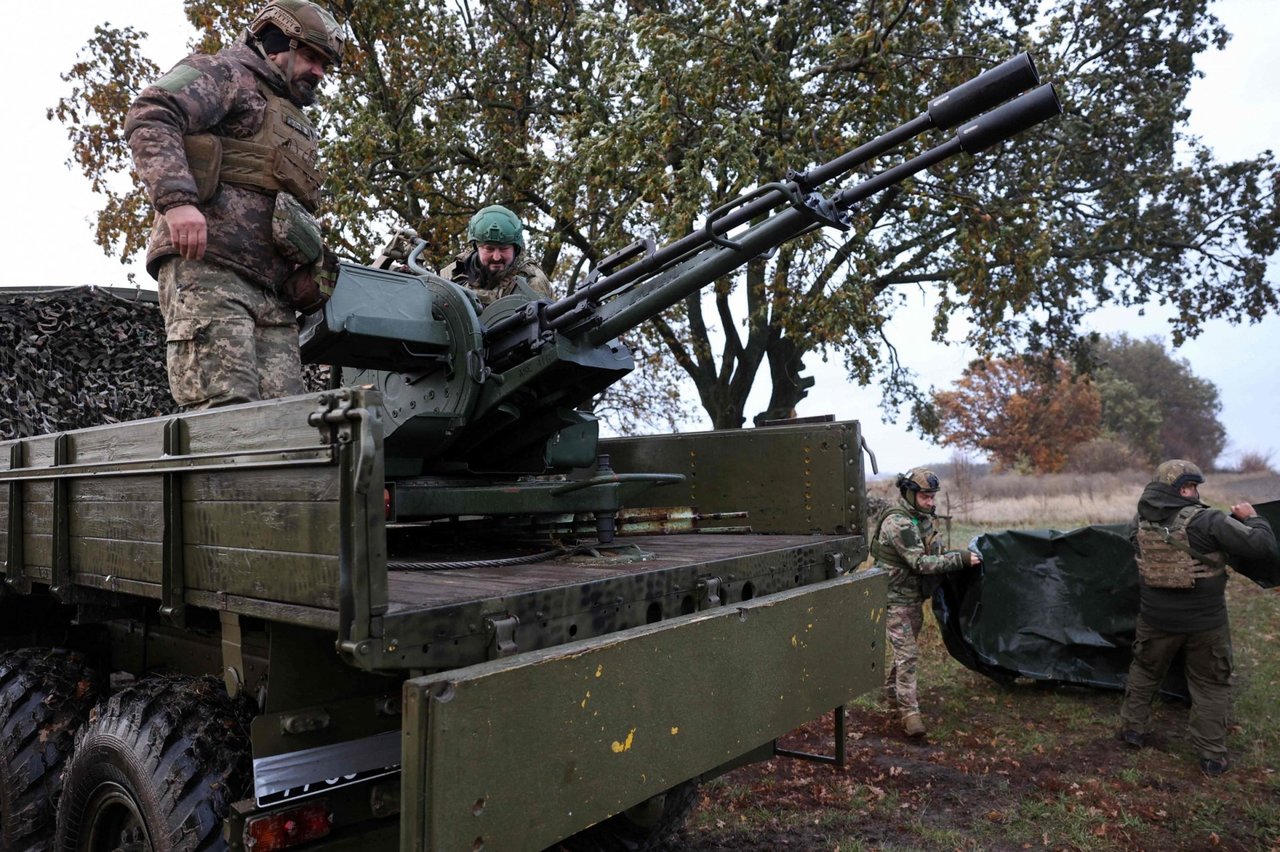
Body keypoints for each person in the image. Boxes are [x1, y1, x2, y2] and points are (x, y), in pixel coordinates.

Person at [124, 0, 345, 410]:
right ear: (276, 43)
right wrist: (178, 202)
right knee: (226, 417)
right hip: (210, 271)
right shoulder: (225, 73)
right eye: (313, 57)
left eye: (325, 64)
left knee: (288, 426)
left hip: (270, 293)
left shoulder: (292, 119)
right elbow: (151, 113)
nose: (319, 71)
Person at [1117, 459, 1276, 776]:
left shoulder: (1139, 520)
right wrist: (1254, 519)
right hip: (1206, 624)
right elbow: (1263, 546)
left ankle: (1132, 730)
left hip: (1155, 620)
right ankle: (1212, 756)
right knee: (1211, 684)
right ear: (1177, 489)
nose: (1194, 493)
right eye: (1189, 487)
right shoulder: (1209, 521)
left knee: (1145, 672)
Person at [872, 468, 982, 738]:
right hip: (894, 599)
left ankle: (891, 697)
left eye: (933, 497)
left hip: (912, 598)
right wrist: (961, 559)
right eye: (925, 496)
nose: (931, 502)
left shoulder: (920, 519)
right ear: (910, 494)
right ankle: (910, 714)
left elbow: (936, 552)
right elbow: (920, 563)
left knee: (904, 654)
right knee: (907, 655)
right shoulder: (899, 523)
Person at [439, 205, 553, 308]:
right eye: (489, 249)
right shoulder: (456, 270)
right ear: (476, 247)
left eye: (504, 249)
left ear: (516, 249)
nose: (497, 257)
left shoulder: (532, 282)